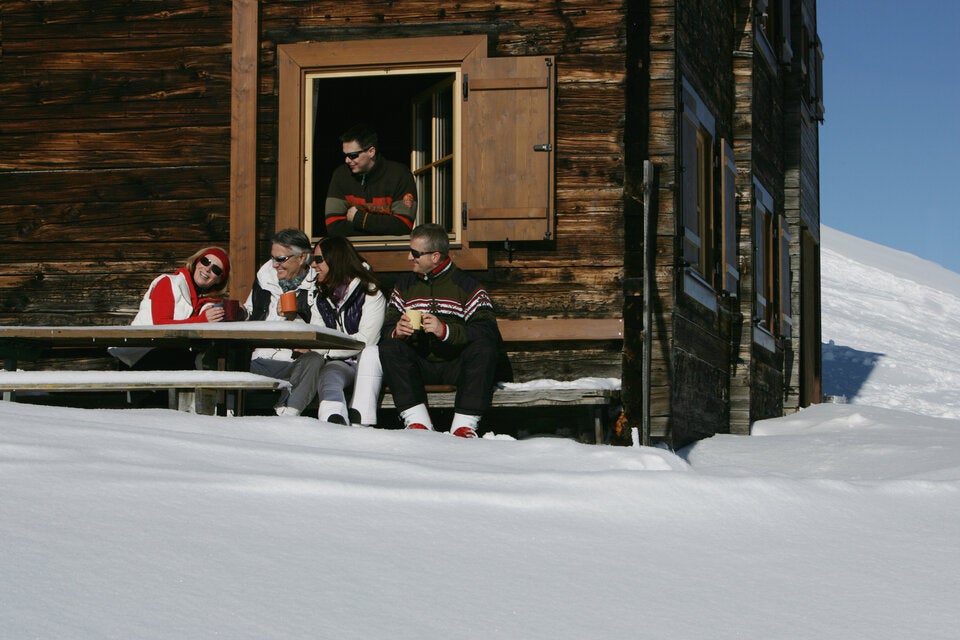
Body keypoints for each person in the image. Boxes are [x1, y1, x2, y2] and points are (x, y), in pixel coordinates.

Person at [378, 224, 501, 438]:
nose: (409, 257)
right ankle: (418, 423)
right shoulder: (404, 286)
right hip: (419, 364)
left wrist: (445, 331)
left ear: (435, 257)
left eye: (415, 253)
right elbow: (387, 329)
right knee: (389, 347)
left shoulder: (467, 286)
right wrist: (397, 331)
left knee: (484, 348)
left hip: (457, 364)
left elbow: (486, 330)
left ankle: (464, 426)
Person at [243, 228, 324, 416]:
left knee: (314, 360)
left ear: (301, 258)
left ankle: (288, 417)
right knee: (219, 359)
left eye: (280, 259)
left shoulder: (317, 284)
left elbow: (322, 329)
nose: (274, 265)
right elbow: (251, 311)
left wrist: (294, 318)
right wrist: (241, 313)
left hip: (292, 363)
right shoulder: (264, 278)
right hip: (257, 358)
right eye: (273, 258)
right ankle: (222, 419)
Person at [110, 246, 231, 370]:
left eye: (216, 269)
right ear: (196, 262)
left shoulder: (208, 302)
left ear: (219, 279)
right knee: (184, 359)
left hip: (171, 355)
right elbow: (161, 326)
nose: (208, 269)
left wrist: (239, 313)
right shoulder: (169, 283)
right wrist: (202, 321)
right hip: (139, 353)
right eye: (205, 261)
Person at [309, 236, 386, 425]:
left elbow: (366, 340)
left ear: (335, 259)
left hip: (367, 362)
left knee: (370, 352)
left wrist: (329, 351)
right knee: (329, 374)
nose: (313, 265)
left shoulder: (370, 291)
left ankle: (361, 420)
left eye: (318, 259)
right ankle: (333, 420)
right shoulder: (321, 297)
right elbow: (318, 337)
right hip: (340, 361)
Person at [324, 122, 418, 237]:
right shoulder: (341, 175)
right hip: (350, 247)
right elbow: (334, 226)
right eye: (345, 155)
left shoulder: (399, 174)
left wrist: (358, 218)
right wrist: (382, 227)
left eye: (353, 155)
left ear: (371, 152)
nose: (347, 160)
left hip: (389, 248)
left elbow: (403, 225)